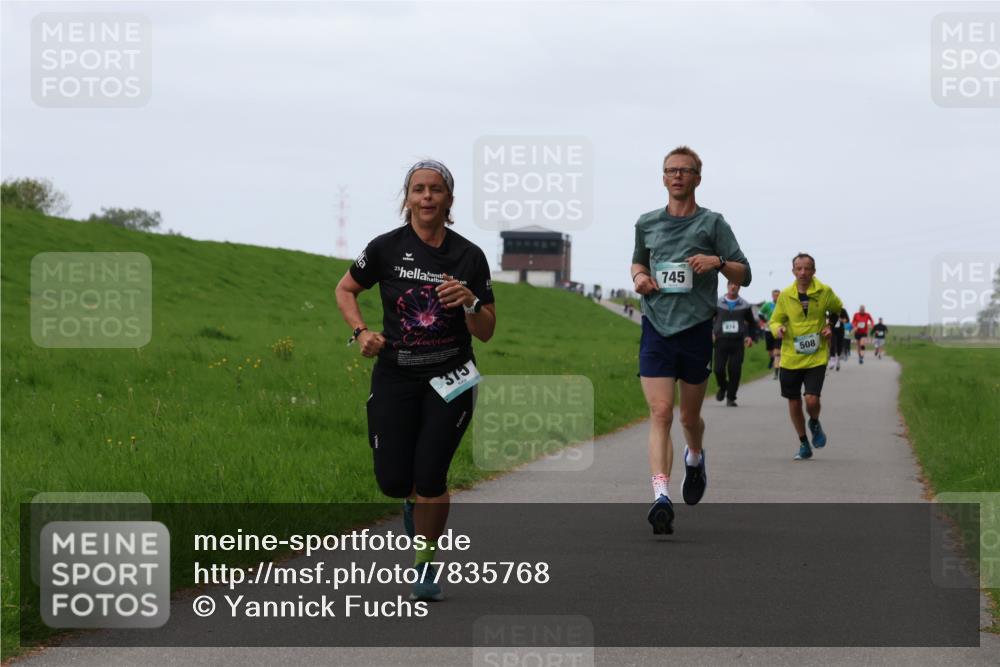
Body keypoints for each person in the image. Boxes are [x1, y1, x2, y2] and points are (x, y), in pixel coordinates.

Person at [335, 159, 496, 601]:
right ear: (407, 198)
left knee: (430, 475)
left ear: (449, 200)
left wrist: (468, 302)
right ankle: (411, 506)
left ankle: (425, 565)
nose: (427, 197)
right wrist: (361, 332)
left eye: (436, 190)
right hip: (396, 375)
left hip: (451, 377)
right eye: (419, 189)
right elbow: (345, 289)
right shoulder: (385, 248)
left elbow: (486, 329)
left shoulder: (469, 256)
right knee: (393, 480)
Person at [630, 146, 751, 534]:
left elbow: (744, 273)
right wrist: (639, 279)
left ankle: (695, 457)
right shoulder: (646, 223)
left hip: (696, 330)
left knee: (688, 417)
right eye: (671, 170)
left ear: (698, 177)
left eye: (685, 170)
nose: (678, 176)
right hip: (656, 328)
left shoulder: (712, 224)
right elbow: (638, 262)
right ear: (663, 178)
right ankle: (661, 496)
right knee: (662, 413)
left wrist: (716, 262)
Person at [769, 253, 843, 461]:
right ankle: (803, 443)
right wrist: (779, 329)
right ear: (793, 271)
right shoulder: (785, 295)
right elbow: (774, 321)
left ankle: (815, 421)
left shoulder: (824, 292)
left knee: (811, 399)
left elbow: (837, 310)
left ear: (814, 271)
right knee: (793, 402)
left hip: (816, 356)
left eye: (807, 268)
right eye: (798, 268)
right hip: (791, 357)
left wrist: (830, 326)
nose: (803, 272)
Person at [713, 281, 758, 406]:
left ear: (739, 287)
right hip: (720, 340)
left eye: (736, 285)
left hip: (737, 342)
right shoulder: (717, 303)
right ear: (727, 286)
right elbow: (709, 320)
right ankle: (723, 387)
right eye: (731, 284)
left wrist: (749, 337)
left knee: (735, 370)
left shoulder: (745, 305)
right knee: (718, 369)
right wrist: (711, 333)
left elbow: (752, 324)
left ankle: (731, 397)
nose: (733, 287)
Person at [758, 289, 781, 379]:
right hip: (768, 330)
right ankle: (771, 359)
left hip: (778, 331)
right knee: (770, 351)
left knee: (777, 352)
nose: (776, 297)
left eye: (778, 295)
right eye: (775, 295)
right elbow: (760, 313)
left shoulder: (782, 304)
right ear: (772, 296)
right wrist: (765, 321)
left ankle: (776, 372)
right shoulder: (767, 305)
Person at [827, 307, 844, 372]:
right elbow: (827, 319)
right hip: (833, 331)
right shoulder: (831, 310)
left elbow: (847, 320)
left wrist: (841, 319)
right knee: (832, 344)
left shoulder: (843, 311)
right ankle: (832, 360)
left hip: (840, 331)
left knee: (839, 347)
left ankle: (838, 361)